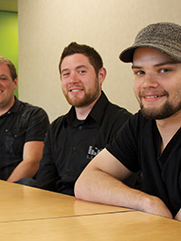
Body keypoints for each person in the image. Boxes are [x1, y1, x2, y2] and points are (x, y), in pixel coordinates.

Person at [75, 22, 181, 221]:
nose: (148, 83)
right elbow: (86, 182)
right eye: (140, 72)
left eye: (164, 70)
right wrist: (147, 203)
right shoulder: (142, 124)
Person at [19, 42, 141, 195]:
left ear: (101, 75)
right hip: (56, 211)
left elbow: (121, 191)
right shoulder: (56, 128)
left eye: (81, 71)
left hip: (99, 212)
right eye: (66, 74)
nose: (72, 80)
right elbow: (44, 186)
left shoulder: (123, 125)